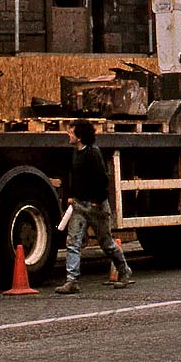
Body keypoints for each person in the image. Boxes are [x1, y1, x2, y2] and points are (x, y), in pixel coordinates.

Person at [55, 119, 134, 294]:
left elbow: (102, 179)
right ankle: (72, 280)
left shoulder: (93, 153)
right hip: (79, 206)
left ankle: (123, 270)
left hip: (96, 207)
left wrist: (97, 200)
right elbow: (73, 177)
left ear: (79, 136)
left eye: (71, 132)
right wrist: (70, 196)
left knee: (107, 243)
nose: (68, 134)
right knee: (73, 242)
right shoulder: (75, 153)